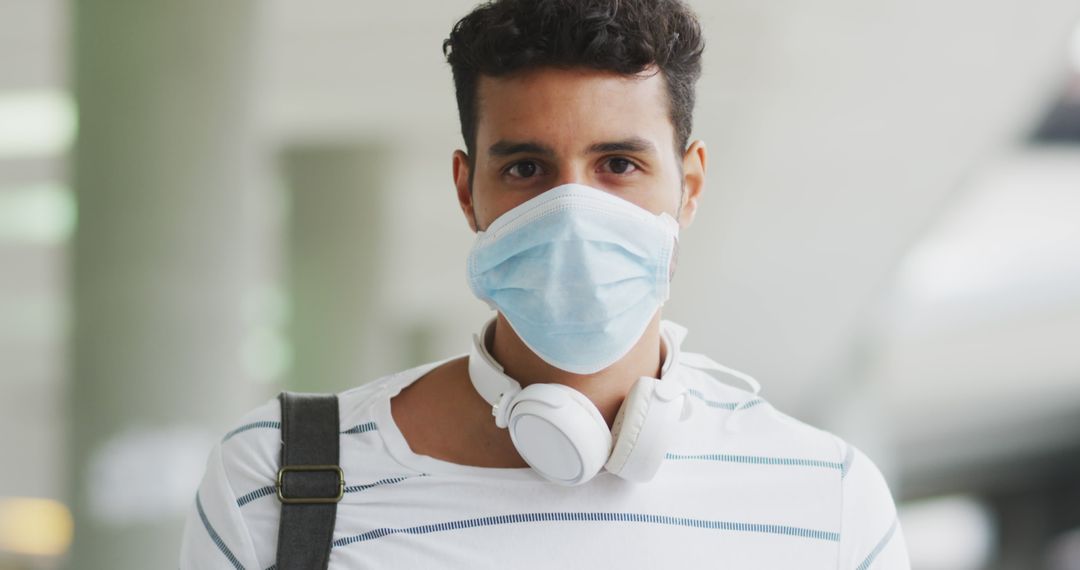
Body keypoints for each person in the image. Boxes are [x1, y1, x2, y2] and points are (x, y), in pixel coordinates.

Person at [180, 0, 910, 567]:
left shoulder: (829, 500)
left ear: (688, 187)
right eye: (526, 168)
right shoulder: (277, 481)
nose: (572, 212)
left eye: (618, 165)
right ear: (468, 192)